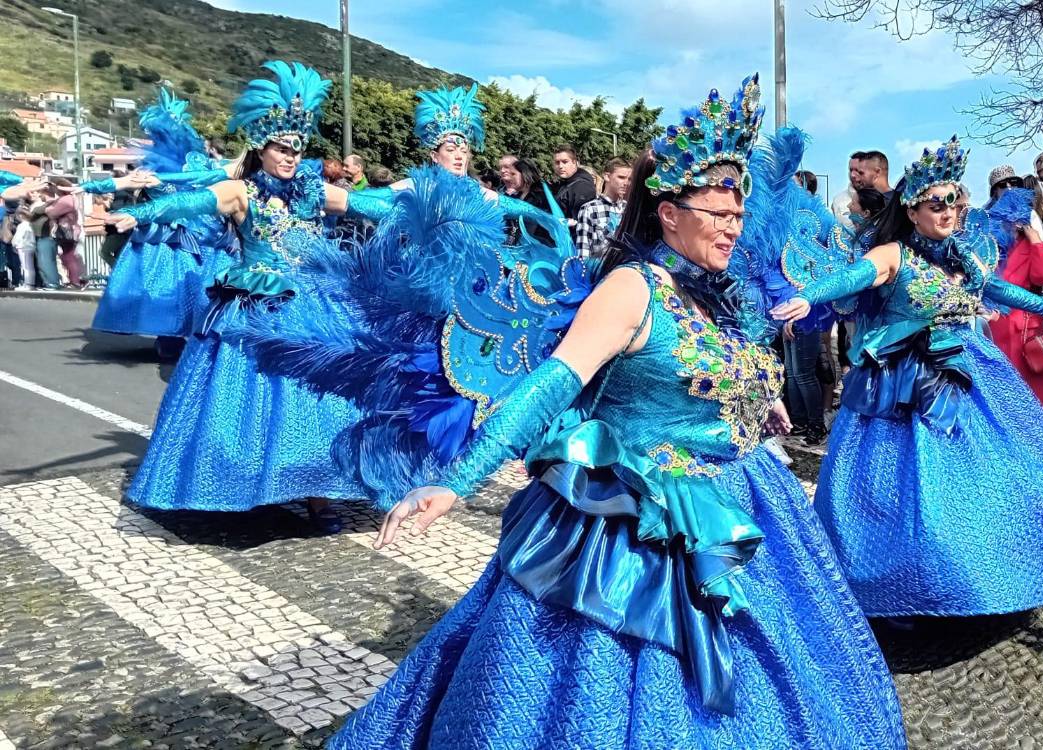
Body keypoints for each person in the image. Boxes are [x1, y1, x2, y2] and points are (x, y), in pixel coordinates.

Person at [303, 73, 908, 749]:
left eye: (737, 216)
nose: (733, 229)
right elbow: (552, 384)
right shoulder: (629, 289)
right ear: (669, 212)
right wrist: (459, 481)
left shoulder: (712, 293)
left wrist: (755, 401)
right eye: (717, 215)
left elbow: (711, 370)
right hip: (633, 515)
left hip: (738, 496)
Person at [772, 138, 1043, 619]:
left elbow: (992, 287)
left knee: (998, 470)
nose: (949, 211)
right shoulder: (894, 254)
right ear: (912, 211)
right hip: (902, 380)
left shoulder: (960, 255)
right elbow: (854, 276)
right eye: (937, 203)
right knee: (903, 485)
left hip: (969, 366)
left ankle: (991, 569)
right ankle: (904, 582)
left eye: (955, 200)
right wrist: (810, 297)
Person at [108, 61, 382, 532]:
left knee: (318, 397)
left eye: (297, 148)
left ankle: (318, 493)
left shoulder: (314, 193)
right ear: (261, 145)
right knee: (250, 397)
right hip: (255, 303)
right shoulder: (241, 191)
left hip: (313, 303)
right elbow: (193, 202)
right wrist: (146, 213)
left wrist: (424, 211)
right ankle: (244, 482)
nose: (291, 156)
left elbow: (366, 204)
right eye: (281, 147)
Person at [89, 89, 238, 354]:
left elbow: (230, 175)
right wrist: (88, 185)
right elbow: (127, 184)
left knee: (195, 287)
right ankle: (172, 337)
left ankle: (190, 336)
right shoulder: (157, 167)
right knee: (174, 288)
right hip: (171, 236)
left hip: (205, 235)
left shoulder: (199, 164)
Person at [986, 187, 1043, 412]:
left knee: (1032, 390)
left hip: (1025, 327)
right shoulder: (991, 246)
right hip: (995, 323)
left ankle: (1039, 441)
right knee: (1000, 390)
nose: (1011, 225)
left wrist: (1037, 242)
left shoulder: (1031, 246)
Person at [573, 157, 632, 259]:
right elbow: (583, 252)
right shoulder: (590, 209)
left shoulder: (629, 209)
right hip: (600, 271)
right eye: (621, 177)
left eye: (629, 179)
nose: (626, 183)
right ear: (607, 176)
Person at [551, 144, 597, 222]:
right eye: (557, 162)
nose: (560, 166)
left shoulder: (582, 186)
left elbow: (581, 220)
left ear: (574, 162)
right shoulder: (565, 182)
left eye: (565, 162)